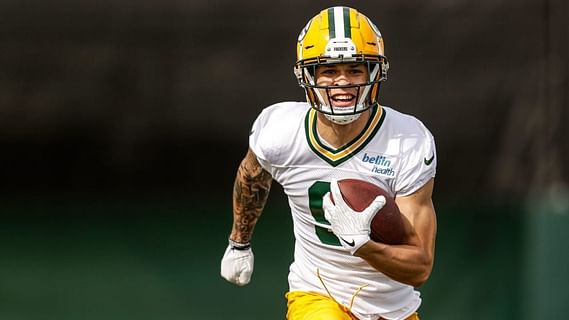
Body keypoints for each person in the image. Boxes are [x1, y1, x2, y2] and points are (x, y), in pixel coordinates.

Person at [220, 6, 437, 320]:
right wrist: (239, 242)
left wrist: (362, 245)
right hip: (318, 292)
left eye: (354, 70)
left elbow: (420, 266)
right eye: (330, 70)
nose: (342, 82)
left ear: (374, 74)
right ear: (308, 76)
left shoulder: (408, 141)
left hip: (393, 307)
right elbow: (251, 177)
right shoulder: (280, 132)